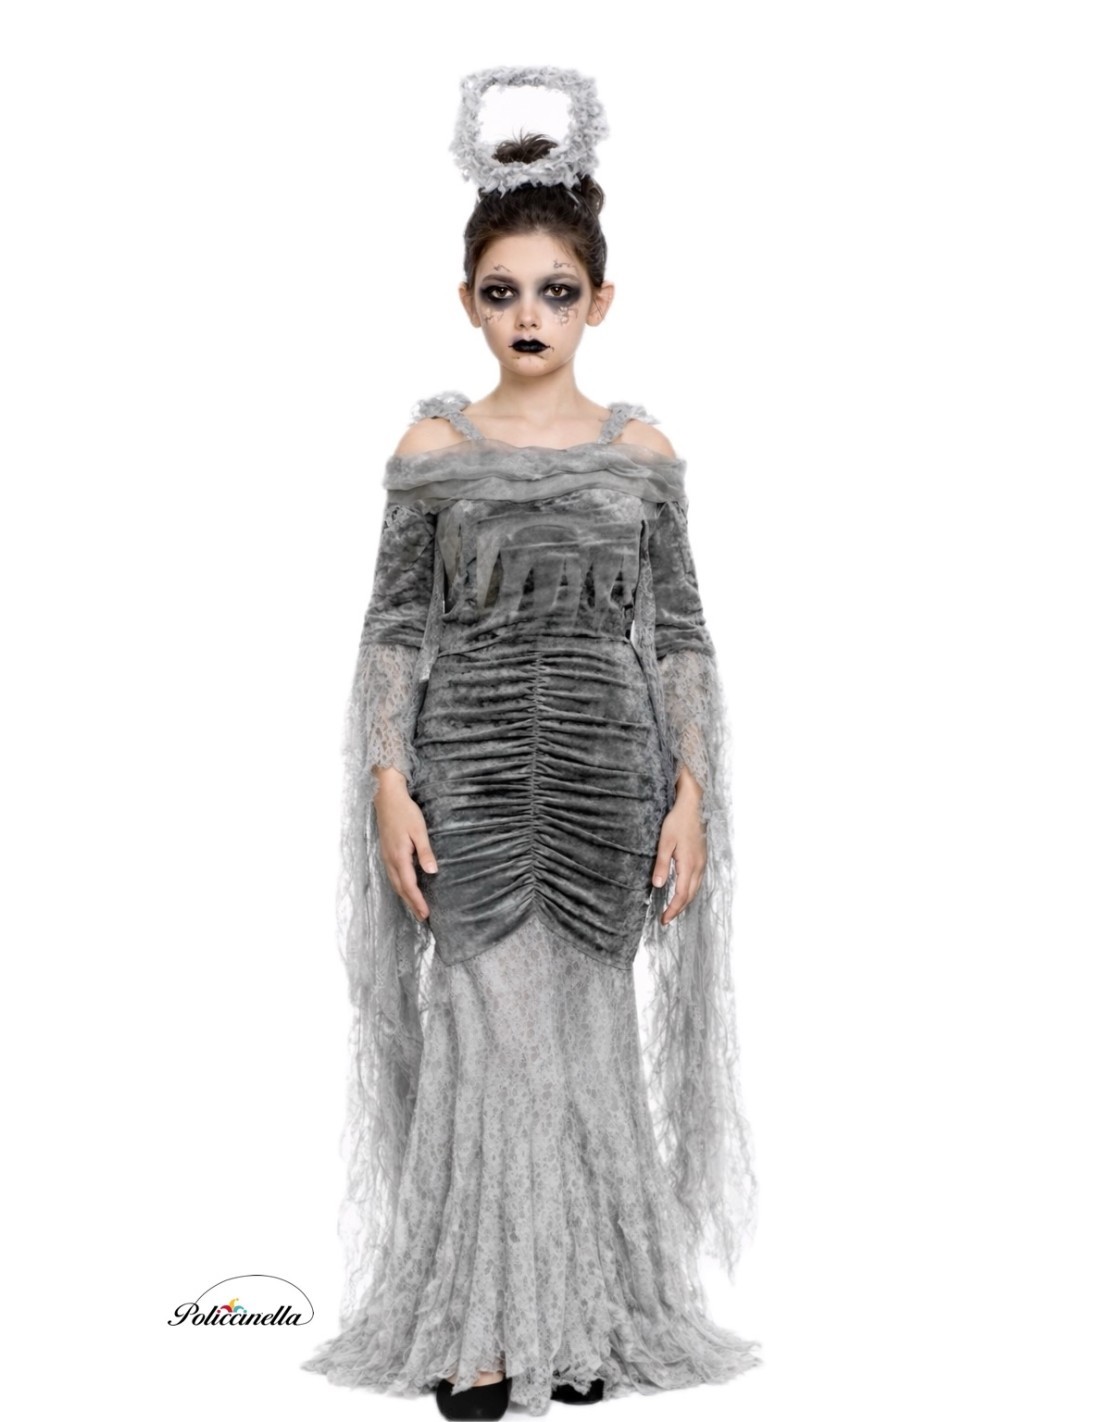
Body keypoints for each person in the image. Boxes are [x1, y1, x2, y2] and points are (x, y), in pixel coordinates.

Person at [300, 66, 761, 1420]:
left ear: (600, 300)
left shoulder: (642, 453)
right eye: (502, 291)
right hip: (470, 776)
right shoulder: (434, 446)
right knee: (487, 1044)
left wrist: (692, 794)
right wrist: (387, 781)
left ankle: (587, 1315)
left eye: (557, 291)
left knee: (587, 1046)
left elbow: (682, 636)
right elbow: (393, 626)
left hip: (610, 782)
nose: (529, 317)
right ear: (467, 300)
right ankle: (482, 1331)